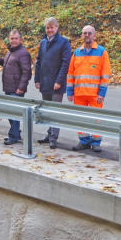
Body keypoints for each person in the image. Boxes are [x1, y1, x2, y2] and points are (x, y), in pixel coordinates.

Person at [67, 25, 111, 152]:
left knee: (96, 119)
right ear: (81, 35)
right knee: (81, 119)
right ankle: (84, 141)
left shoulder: (102, 52)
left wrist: (102, 94)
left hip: (95, 94)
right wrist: (70, 92)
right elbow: (70, 74)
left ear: (94, 36)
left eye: (89, 33)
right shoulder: (76, 52)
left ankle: (96, 142)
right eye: (84, 33)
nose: (87, 35)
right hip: (79, 94)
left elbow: (105, 75)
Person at [34, 17, 72, 149]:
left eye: (52, 27)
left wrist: (59, 81)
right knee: (47, 110)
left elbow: (65, 63)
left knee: (55, 110)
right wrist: (37, 79)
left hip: (57, 84)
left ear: (57, 27)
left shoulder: (63, 42)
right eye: (47, 28)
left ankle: (53, 138)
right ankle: (49, 133)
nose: (50, 30)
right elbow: (39, 61)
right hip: (44, 82)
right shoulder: (43, 42)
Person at [0, 29, 32, 145]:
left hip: (16, 89)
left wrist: (21, 87)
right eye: (12, 38)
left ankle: (13, 136)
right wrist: (0, 61)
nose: (13, 40)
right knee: (10, 113)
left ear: (20, 39)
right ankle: (16, 133)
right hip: (8, 87)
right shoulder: (10, 51)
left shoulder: (23, 53)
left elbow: (27, 72)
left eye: (16, 38)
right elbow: (9, 65)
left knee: (14, 113)